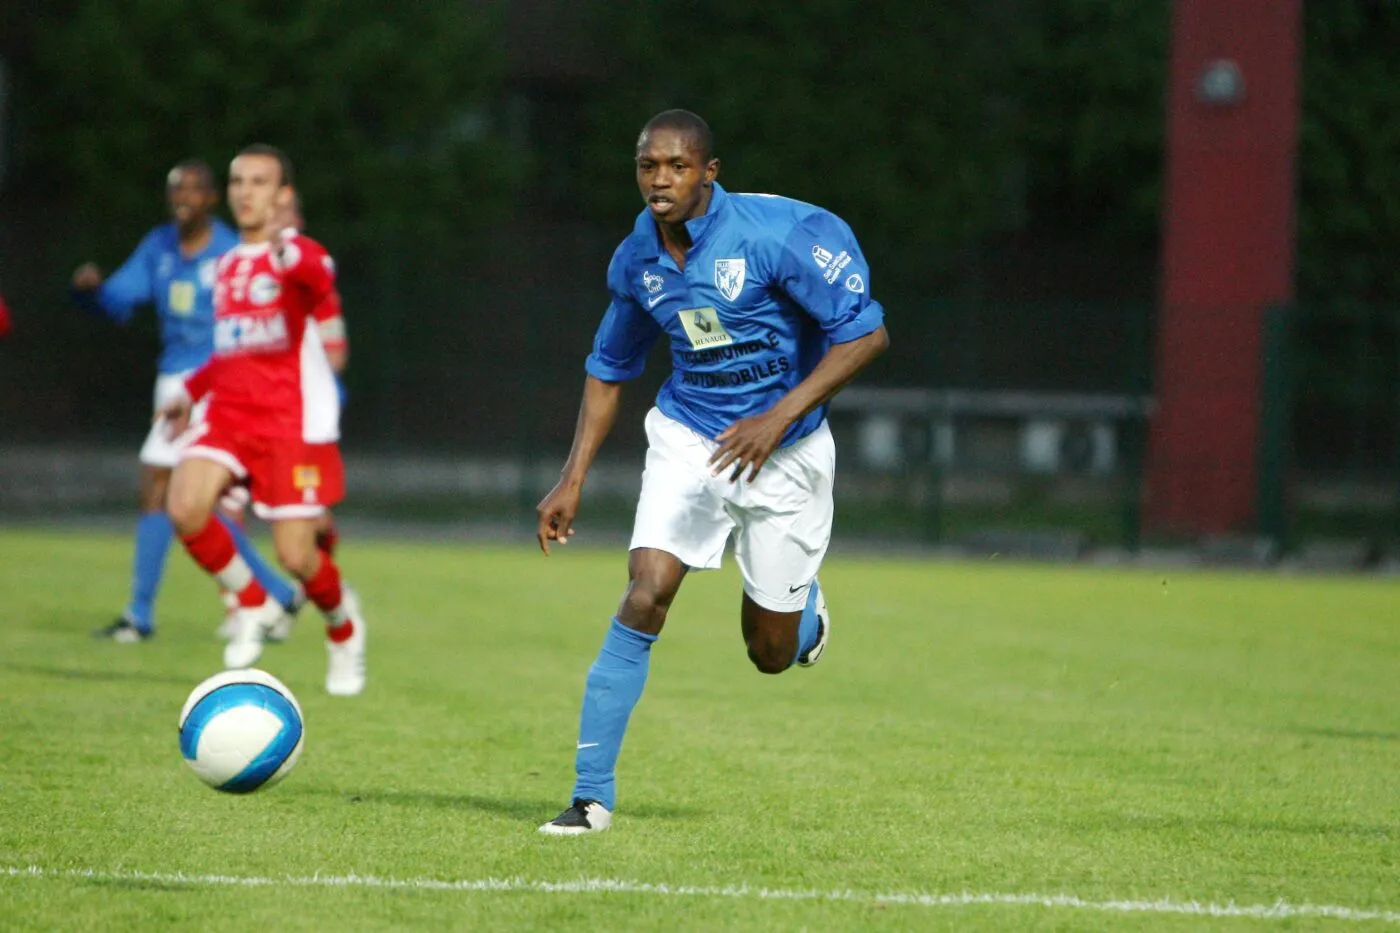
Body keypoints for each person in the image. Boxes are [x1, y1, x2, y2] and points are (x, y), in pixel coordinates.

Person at [534, 110, 889, 834]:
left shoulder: (777, 235)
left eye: (677, 165)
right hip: (690, 437)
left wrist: (775, 419)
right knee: (645, 592)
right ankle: (590, 798)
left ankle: (804, 613)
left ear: (709, 172)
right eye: (648, 166)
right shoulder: (637, 257)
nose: (660, 180)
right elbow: (609, 367)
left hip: (787, 452)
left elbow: (866, 336)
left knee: (769, 654)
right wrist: (572, 478)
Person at [160, 143, 367, 696]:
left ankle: (344, 629)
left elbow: (318, 282)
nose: (245, 192)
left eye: (259, 182)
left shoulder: (298, 254)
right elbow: (232, 349)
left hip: (287, 423)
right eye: (238, 181)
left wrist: (284, 246)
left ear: (282, 195)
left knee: (296, 555)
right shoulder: (227, 264)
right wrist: (189, 393)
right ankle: (252, 600)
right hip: (229, 416)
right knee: (183, 505)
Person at [70, 160, 304, 642]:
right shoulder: (159, 246)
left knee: (163, 492)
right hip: (174, 382)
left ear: (211, 199)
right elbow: (119, 298)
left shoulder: (230, 251)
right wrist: (91, 292)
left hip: (214, 381)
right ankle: (278, 593)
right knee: (188, 503)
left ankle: (142, 616)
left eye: (195, 189)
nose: (184, 197)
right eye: (176, 188)